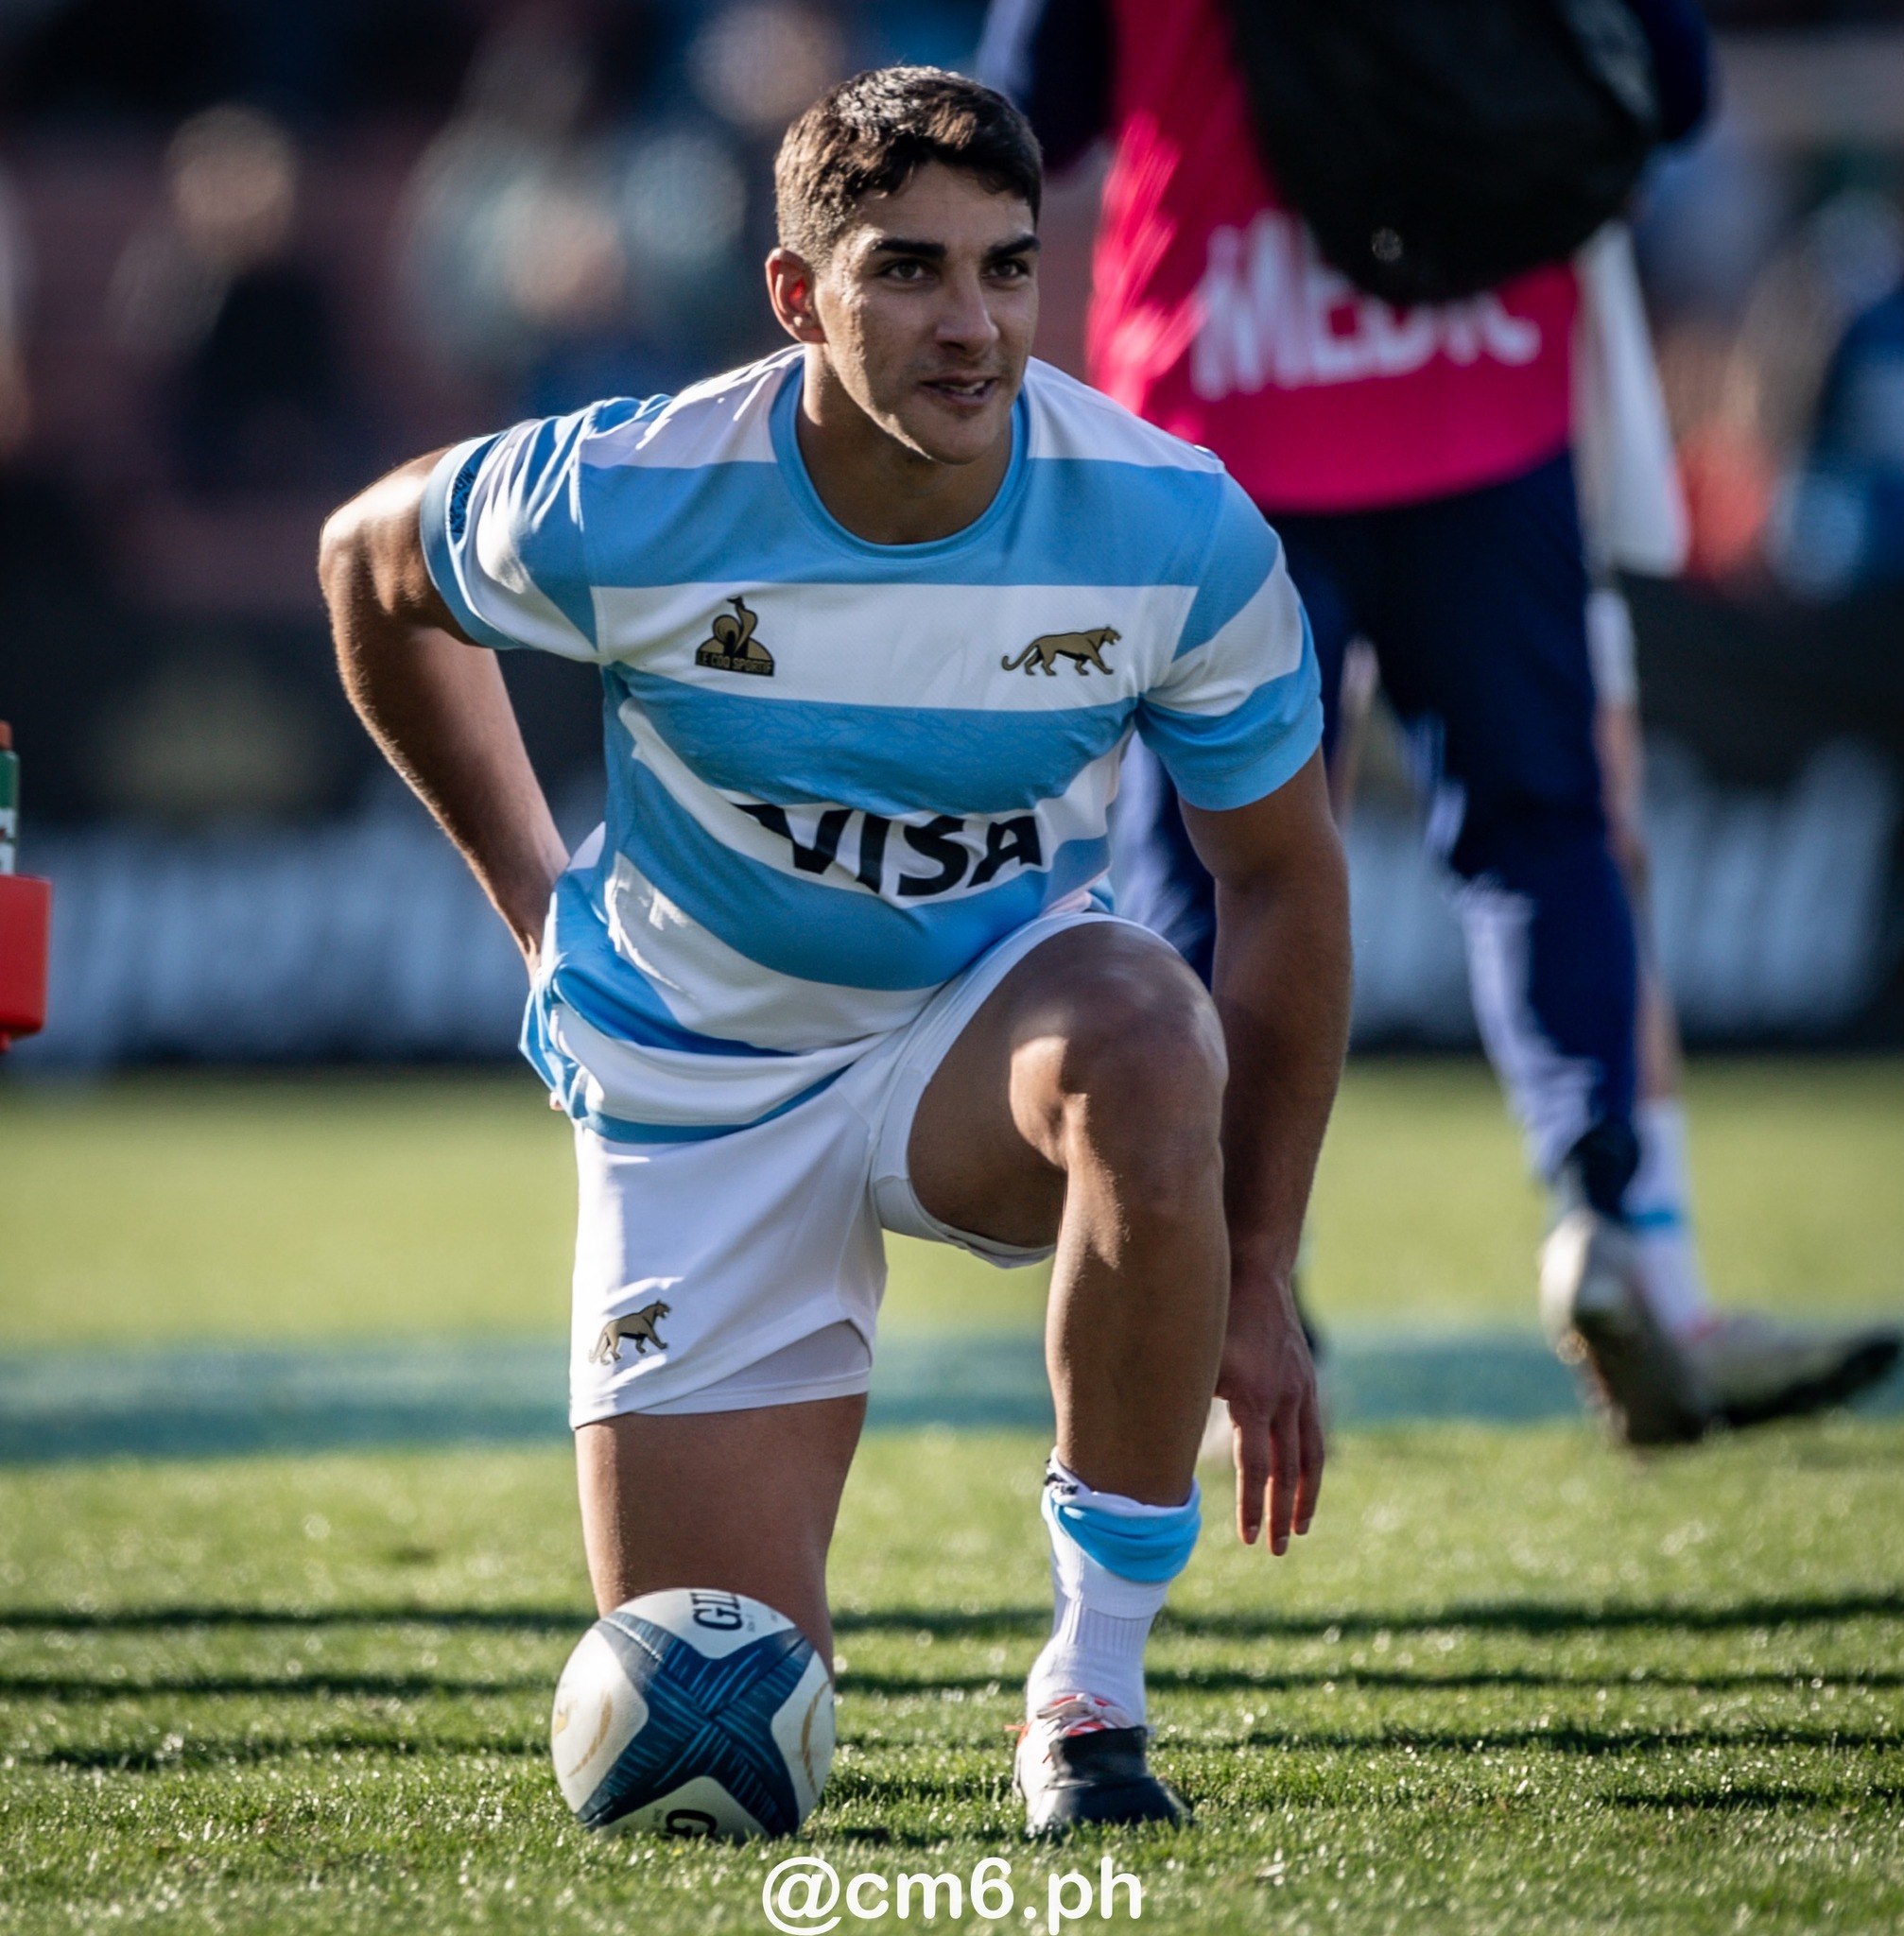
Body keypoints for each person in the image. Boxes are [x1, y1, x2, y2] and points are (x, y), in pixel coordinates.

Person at [320, 67, 1350, 1833]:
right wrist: (535, 903)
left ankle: (1090, 1702)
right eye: (909, 272)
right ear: (797, 295)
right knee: (711, 1704)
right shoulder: (624, 490)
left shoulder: (1172, 526)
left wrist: (1258, 1263)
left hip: (983, 1035)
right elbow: (366, 566)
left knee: (1144, 1030)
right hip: (695, 1088)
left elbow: (1283, 882)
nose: (973, 327)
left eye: (1008, 271)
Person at [981, 0, 1900, 1445]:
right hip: (1478, 381)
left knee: (1214, 866)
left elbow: (1025, 115)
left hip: (1221, 398)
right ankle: (1613, 1222)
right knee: (1538, 831)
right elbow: (1667, 82)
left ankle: (1213, 1279)